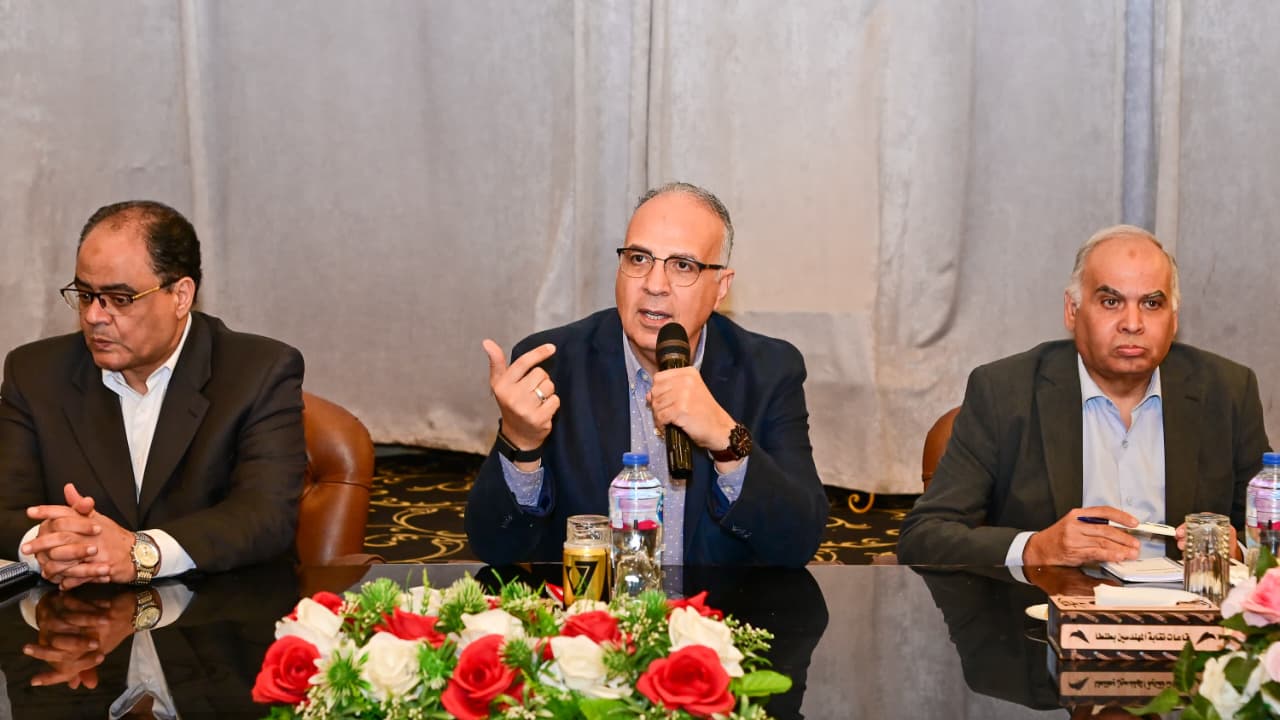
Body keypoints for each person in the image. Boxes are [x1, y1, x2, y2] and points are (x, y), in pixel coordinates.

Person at [466, 182, 827, 567]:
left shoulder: (769, 371)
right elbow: (495, 547)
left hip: (719, 605)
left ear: (720, 287)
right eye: (639, 259)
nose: (654, 285)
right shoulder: (554, 364)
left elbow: (798, 543)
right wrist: (520, 444)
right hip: (593, 604)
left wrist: (727, 441)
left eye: (683, 266)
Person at [897, 225, 1270, 568]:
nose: (1132, 323)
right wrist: (1036, 548)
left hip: (1183, 616)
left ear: (1173, 319)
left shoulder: (1227, 392)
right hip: (1046, 613)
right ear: (1072, 311)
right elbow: (924, 535)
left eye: (1151, 304)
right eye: (1111, 302)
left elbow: (1268, 532)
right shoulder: (1003, 392)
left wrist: (1236, 550)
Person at [0, 200, 306, 589]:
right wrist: (52, 544)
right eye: (86, 294)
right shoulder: (34, 373)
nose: (94, 316)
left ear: (180, 296)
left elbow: (265, 516)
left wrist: (141, 552)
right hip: (75, 614)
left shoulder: (259, 372)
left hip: (214, 610)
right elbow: (5, 509)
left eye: (119, 299)